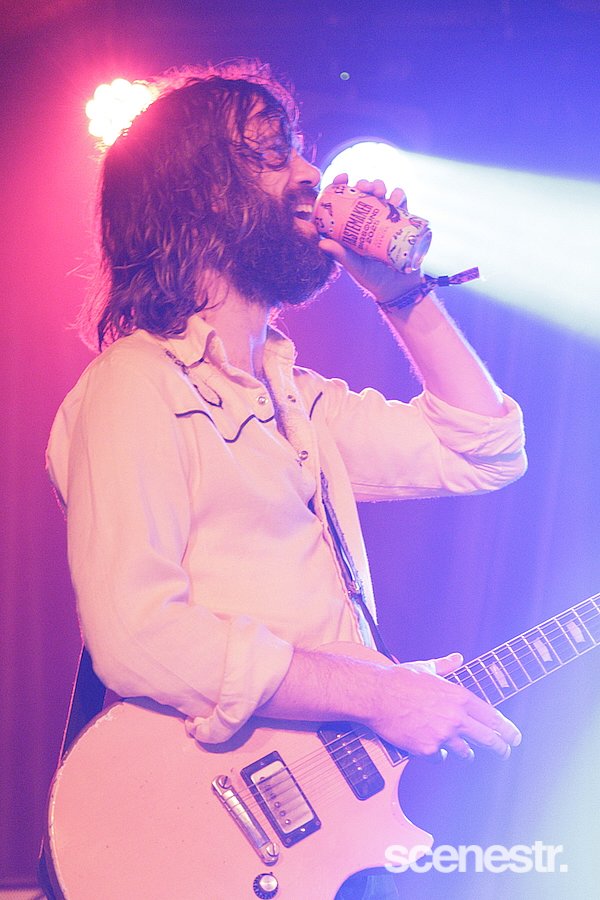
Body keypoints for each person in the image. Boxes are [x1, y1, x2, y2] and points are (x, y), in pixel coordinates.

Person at [46, 61, 527, 899]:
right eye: (273, 156)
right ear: (200, 196)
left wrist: (403, 294)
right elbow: (136, 634)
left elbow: (484, 449)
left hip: (315, 827)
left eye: (299, 151)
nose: (310, 173)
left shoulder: (298, 400)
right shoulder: (136, 384)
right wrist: (376, 694)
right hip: (194, 836)